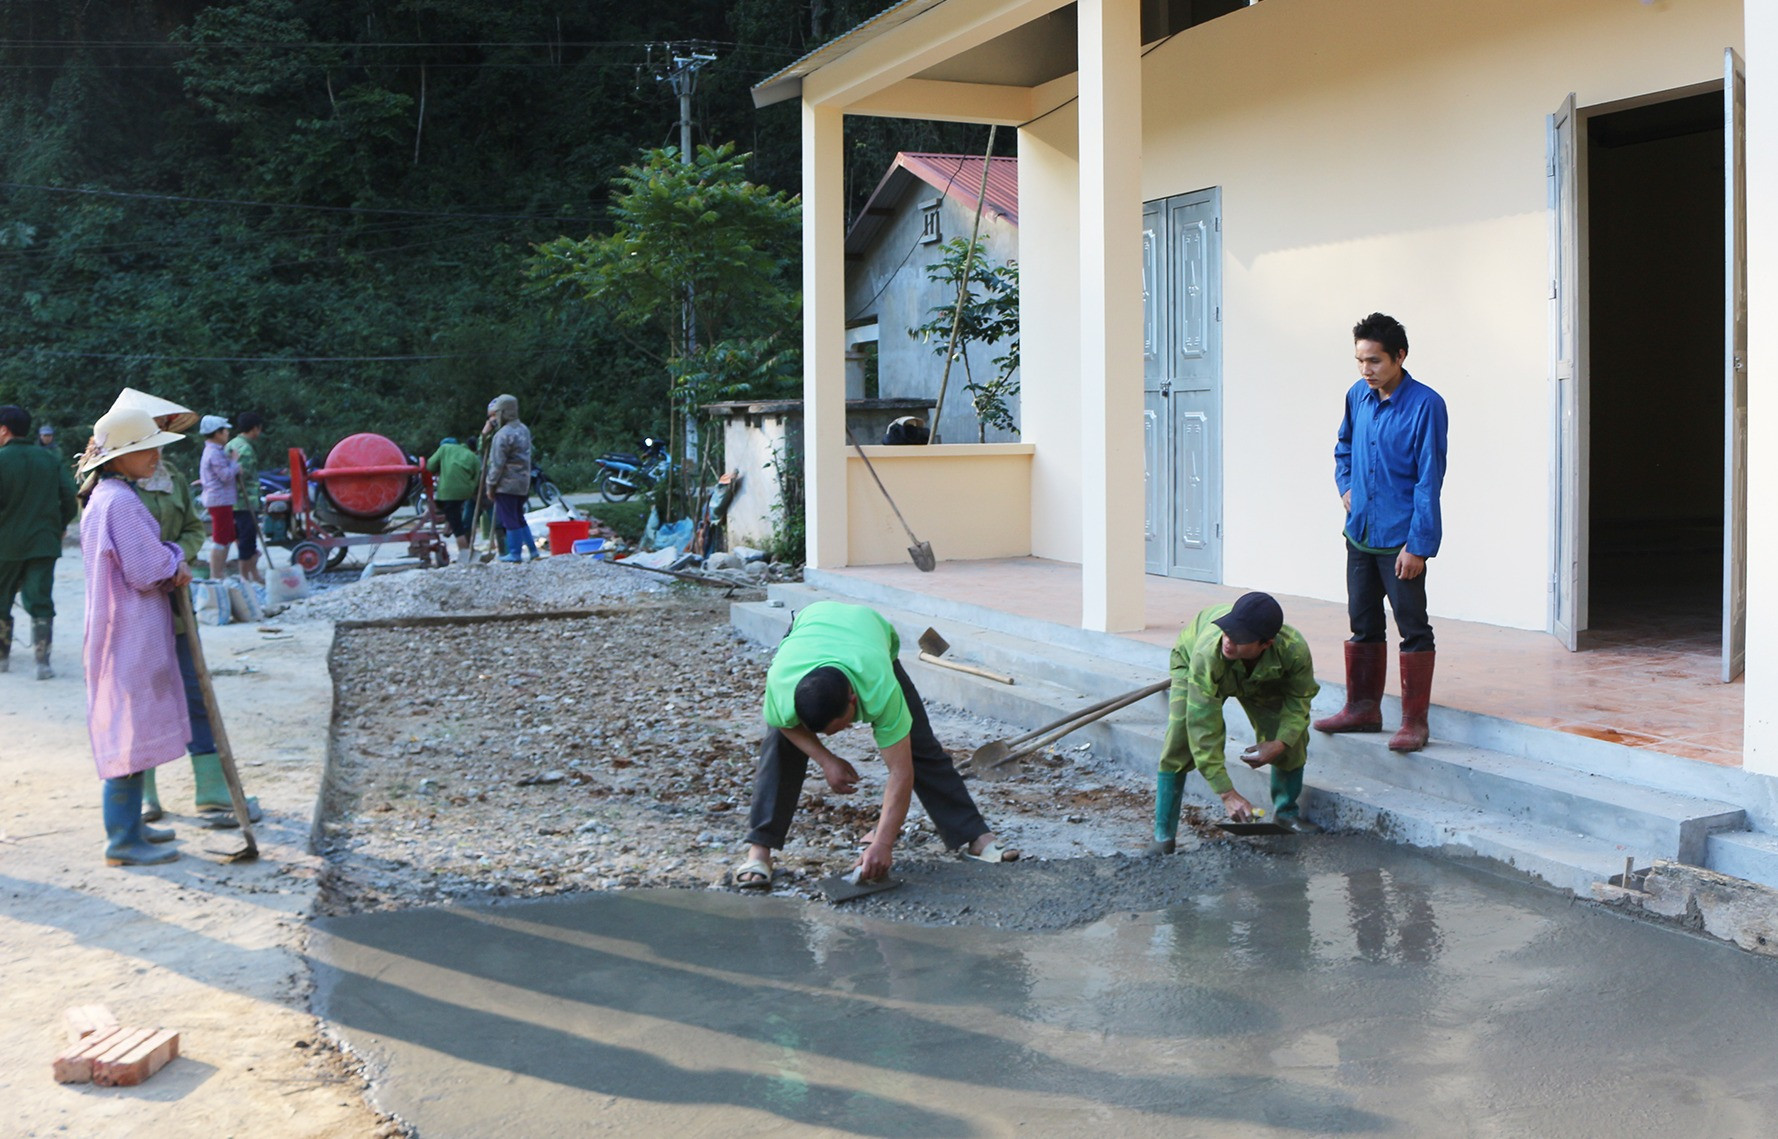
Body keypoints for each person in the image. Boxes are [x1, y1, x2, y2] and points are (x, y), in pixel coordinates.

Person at [735, 601, 1014, 889]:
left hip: (870, 635)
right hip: (810, 627)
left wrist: (883, 843)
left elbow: (900, 772)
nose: (837, 735)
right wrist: (826, 759)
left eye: (841, 725)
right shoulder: (782, 685)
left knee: (919, 745)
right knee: (779, 746)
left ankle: (977, 837)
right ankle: (759, 850)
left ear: (854, 701)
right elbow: (785, 724)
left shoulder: (880, 688)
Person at [114, 390, 262, 828]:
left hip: (177, 608)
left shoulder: (174, 478)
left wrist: (178, 555)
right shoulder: (109, 490)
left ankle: (212, 791)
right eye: (148, 436)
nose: (157, 447)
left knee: (195, 693)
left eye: (161, 436)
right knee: (141, 698)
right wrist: (158, 564)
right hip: (135, 613)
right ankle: (144, 796)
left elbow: (195, 528)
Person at [1314, 312, 1449, 752]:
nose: (1366, 370)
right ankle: (1362, 708)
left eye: (1374, 361)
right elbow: (1344, 447)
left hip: (1401, 541)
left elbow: (1429, 480)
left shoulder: (1426, 405)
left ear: (1400, 356)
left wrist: (1419, 546)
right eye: (1360, 361)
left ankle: (1414, 722)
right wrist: (1347, 486)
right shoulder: (1357, 396)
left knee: (1413, 628)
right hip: (1360, 533)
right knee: (1363, 622)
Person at [77, 404, 193, 866]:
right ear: (119, 457)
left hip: (124, 626)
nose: (153, 458)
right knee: (129, 731)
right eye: (144, 450)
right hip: (131, 630)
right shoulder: (121, 502)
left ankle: (132, 827)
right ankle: (122, 839)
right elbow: (146, 570)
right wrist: (175, 562)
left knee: (134, 724)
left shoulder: (107, 497)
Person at [1150, 592, 1321, 853]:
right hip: (1191, 663)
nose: (1228, 641)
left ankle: (1286, 813)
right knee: (1180, 739)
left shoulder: (1293, 650)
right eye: (1227, 631)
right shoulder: (1210, 652)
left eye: (1240, 638)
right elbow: (1203, 727)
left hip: (1261, 676)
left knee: (1289, 735)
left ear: (1266, 644)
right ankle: (1163, 836)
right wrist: (1226, 793)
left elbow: (1300, 698)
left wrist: (1280, 742)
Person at [0, 405, 79, 678]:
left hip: (5, 545)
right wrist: (58, 526)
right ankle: (42, 664)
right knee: (41, 600)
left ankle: (2, 659)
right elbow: (70, 497)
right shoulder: (49, 459)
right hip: (44, 543)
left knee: (1, 599)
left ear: (4, 430)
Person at [482, 394, 538, 563]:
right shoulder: (524, 429)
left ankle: (514, 553)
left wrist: (490, 485)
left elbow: (497, 464)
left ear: (502, 413)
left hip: (506, 484)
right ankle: (533, 551)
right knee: (519, 516)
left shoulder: (502, 435)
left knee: (509, 519)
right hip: (523, 482)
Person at [224, 411, 266, 586]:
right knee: (247, 539)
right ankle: (245, 576)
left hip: (233, 501)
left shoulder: (231, 444)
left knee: (244, 538)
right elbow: (243, 474)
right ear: (255, 429)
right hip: (245, 502)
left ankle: (253, 573)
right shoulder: (245, 449)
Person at [197, 414, 239, 583]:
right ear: (217, 434)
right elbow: (225, 476)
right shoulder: (213, 453)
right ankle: (216, 575)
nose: (227, 434)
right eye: (225, 431)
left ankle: (220, 572)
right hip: (219, 500)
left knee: (228, 537)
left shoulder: (215, 451)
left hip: (223, 500)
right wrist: (235, 463)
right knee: (220, 538)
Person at [426, 436, 481, 560]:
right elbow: (476, 478)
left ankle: (464, 553)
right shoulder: (474, 457)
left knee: (457, 525)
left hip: (447, 492)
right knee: (453, 512)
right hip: (466, 492)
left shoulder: (445, 448)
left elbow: (430, 465)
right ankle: (448, 525)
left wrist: (440, 469)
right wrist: (469, 488)